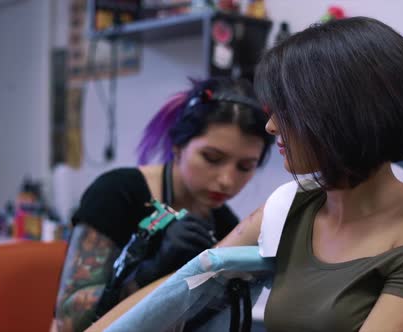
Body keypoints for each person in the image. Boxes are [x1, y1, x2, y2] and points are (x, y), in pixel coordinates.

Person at [216, 17, 403, 331]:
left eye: (287, 109)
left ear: (345, 114)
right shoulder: (292, 206)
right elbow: (187, 285)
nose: (271, 126)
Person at [53, 77, 273, 332]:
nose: (227, 181)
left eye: (245, 167)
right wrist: (148, 273)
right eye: (212, 158)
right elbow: (70, 320)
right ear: (178, 146)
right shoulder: (117, 194)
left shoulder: (226, 226)